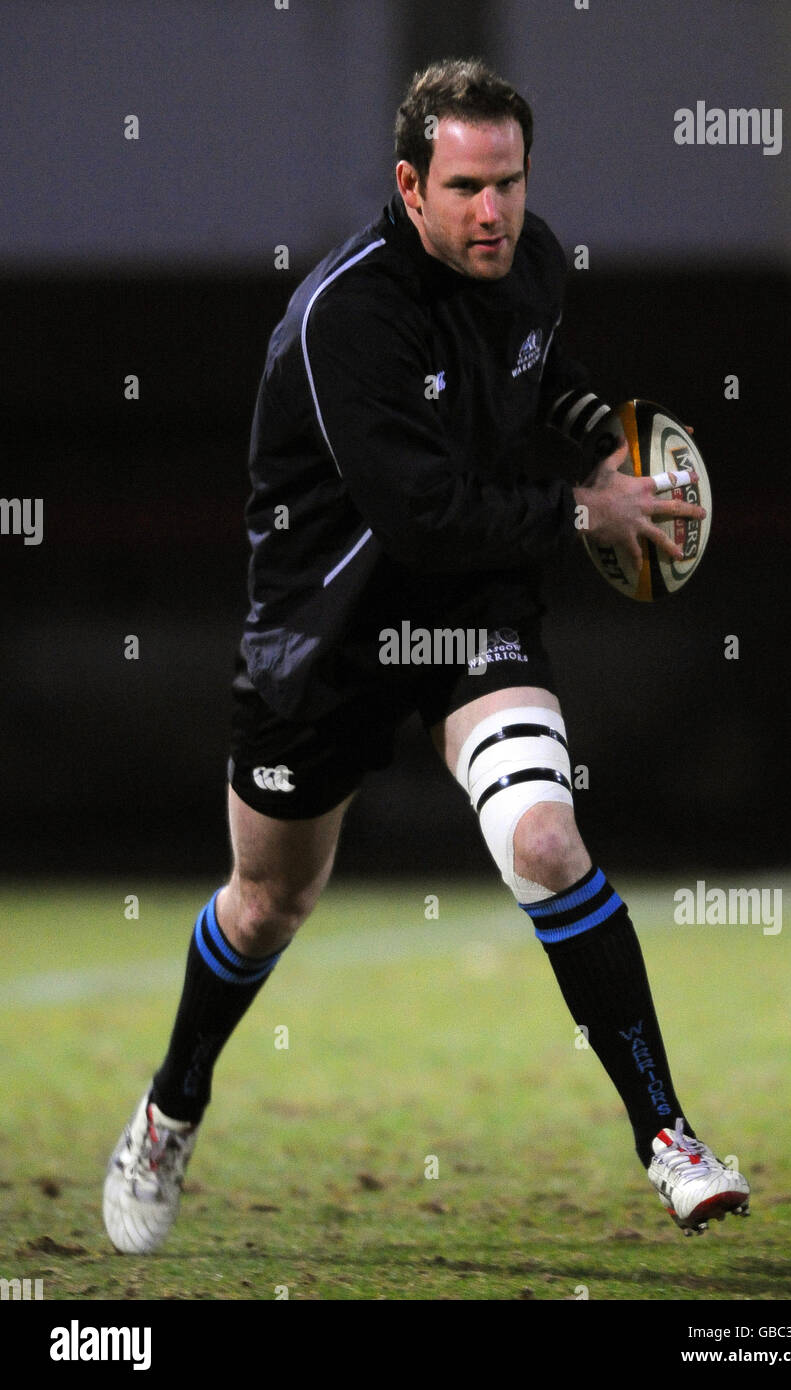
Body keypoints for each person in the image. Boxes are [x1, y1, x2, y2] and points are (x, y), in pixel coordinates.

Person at [103, 58, 749, 1255]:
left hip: (468, 610)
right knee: (268, 902)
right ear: (409, 187)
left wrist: (598, 445)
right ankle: (168, 1109)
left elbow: (537, 378)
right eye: (464, 188)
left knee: (544, 841)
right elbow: (422, 515)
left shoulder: (531, 258)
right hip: (326, 635)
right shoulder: (348, 314)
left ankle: (668, 1138)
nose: (493, 212)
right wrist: (585, 512)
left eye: (508, 182)